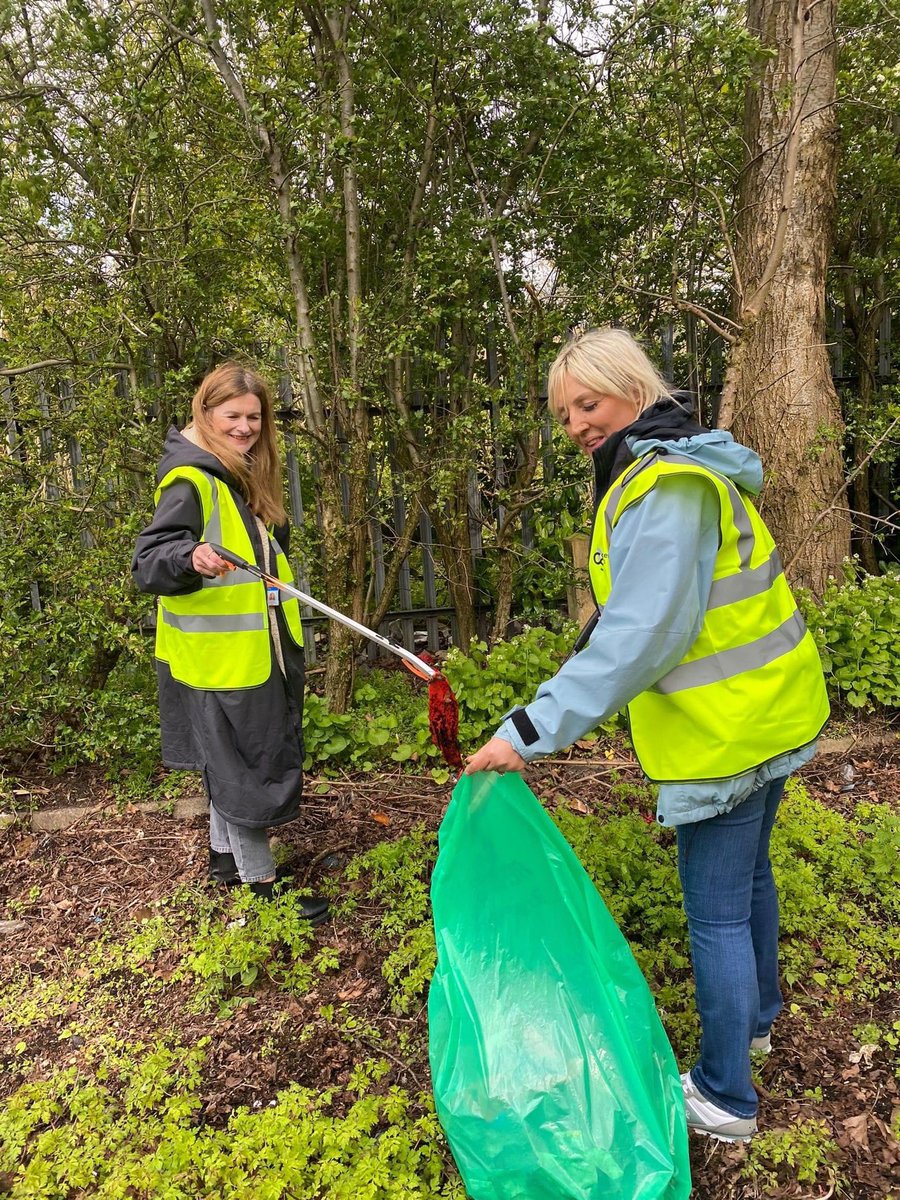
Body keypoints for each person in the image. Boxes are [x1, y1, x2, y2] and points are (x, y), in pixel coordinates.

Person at [465, 327, 829, 1142]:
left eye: (587, 405)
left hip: (724, 733)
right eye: (564, 416)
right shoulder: (674, 468)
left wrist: (528, 731)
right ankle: (759, 1023)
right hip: (767, 711)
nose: (577, 427)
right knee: (749, 885)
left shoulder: (666, 487)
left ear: (631, 389)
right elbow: (641, 619)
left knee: (717, 916)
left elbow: (642, 636)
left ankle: (725, 1095)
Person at [133, 361, 327, 922]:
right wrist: (188, 557)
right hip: (223, 661)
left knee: (229, 763)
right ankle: (261, 889)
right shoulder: (191, 480)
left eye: (255, 418)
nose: (246, 427)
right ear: (206, 413)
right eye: (233, 416)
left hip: (242, 653)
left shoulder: (233, 473)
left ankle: (225, 861)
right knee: (244, 771)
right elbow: (150, 562)